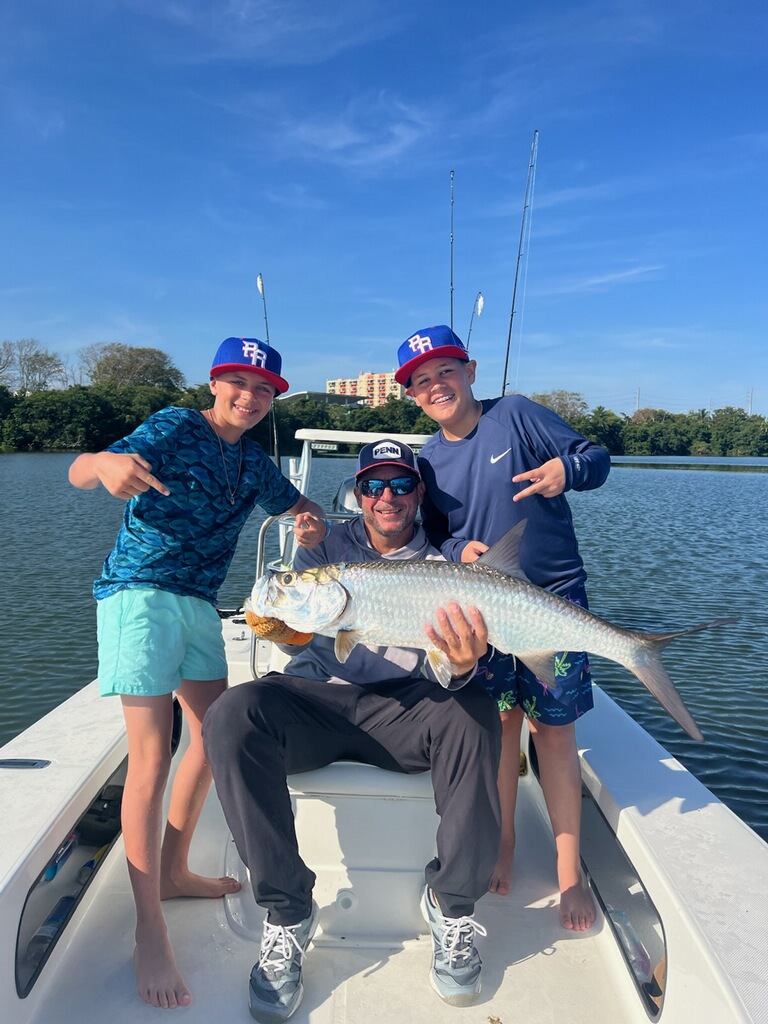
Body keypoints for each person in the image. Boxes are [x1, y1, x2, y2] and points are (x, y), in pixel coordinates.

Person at [203, 438, 502, 1021]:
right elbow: (285, 613)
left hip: (406, 713)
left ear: (418, 492)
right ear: (357, 493)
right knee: (232, 713)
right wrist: (276, 621)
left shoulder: (447, 560)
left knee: (475, 711)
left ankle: (453, 905)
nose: (385, 497)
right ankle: (288, 911)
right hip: (318, 703)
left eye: (398, 485)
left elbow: (451, 673)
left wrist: (464, 665)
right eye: (372, 485)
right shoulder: (324, 551)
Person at [68, 336, 327, 1010]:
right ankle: (148, 929)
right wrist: (104, 466)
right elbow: (84, 468)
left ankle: (176, 871)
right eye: (237, 383)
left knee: (213, 739)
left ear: (275, 400)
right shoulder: (177, 425)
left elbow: (302, 507)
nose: (249, 397)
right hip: (139, 594)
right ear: (214, 384)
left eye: (264, 389)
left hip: (198, 607)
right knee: (151, 758)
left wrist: (309, 522)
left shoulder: (255, 463)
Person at [395, 325, 610, 932]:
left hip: (552, 602)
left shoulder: (515, 416)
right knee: (499, 732)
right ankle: (506, 843)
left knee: (554, 737)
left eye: (445, 371)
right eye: (421, 381)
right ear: (410, 395)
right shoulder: (426, 461)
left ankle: (570, 874)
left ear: (470, 370)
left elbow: (597, 457)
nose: (436, 386)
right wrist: (460, 548)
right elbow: (433, 533)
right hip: (480, 615)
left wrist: (566, 472)